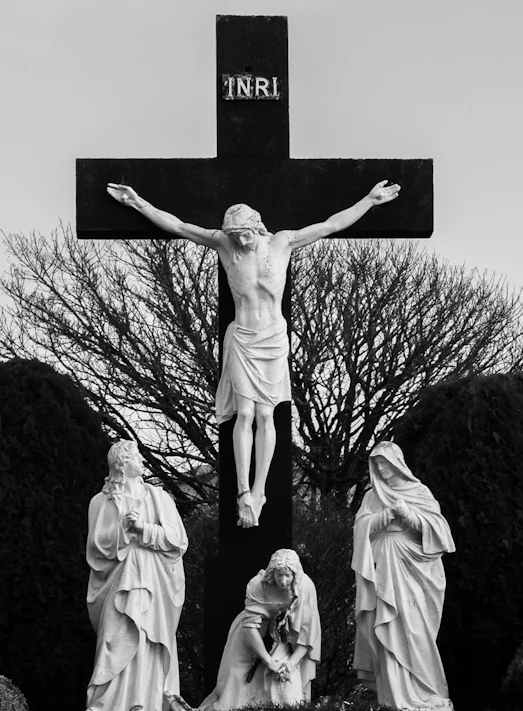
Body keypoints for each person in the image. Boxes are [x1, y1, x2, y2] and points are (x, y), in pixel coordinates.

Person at [105, 179, 402, 527]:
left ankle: (260, 490)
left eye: (244, 234)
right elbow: (181, 226)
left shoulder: (282, 242)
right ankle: (243, 491)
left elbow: (331, 225)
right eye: (234, 236)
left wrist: (369, 200)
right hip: (244, 338)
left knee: (267, 415)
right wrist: (139, 204)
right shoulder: (224, 246)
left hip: (273, 337)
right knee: (243, 414)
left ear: (255, 226)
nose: (240, 241)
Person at [70, 440, 188, 711]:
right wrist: (125, 529)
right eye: (137, 457)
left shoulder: (158, 497)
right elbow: (97, 545)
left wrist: (143, 529)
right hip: (119, 577)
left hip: (152, 577)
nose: (143, 462)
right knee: (114, 636)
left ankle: (142, 708)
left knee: (147, 639)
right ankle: (101, 705)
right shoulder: (100, 502)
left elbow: (177, 539)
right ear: (122, 464)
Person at [353, 441, 456, 711]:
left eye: (385, 463)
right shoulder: (372, 497)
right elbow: (360, 529)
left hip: (412, 571)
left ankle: (427, 693)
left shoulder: (419, 492)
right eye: (377, 465)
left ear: (398, 462)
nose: (382, 469)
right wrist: (383, 517)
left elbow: (441, 534)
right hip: (381, 568)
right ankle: (394, 700)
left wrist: (409, 515)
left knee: (414, 628)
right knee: (385, 628)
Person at [200, 548, 321, 710]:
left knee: (286, 688)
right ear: (272, 573)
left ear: (296, 575)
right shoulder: (257, 585)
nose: (283, 581)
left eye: (288, 575)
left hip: (282, 637)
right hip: (250, 635)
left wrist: (292, 663)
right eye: (279, 575)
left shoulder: (304, 588)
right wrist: (269, 661)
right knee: (236, 689)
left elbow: (307, 635)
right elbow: (250, 627)